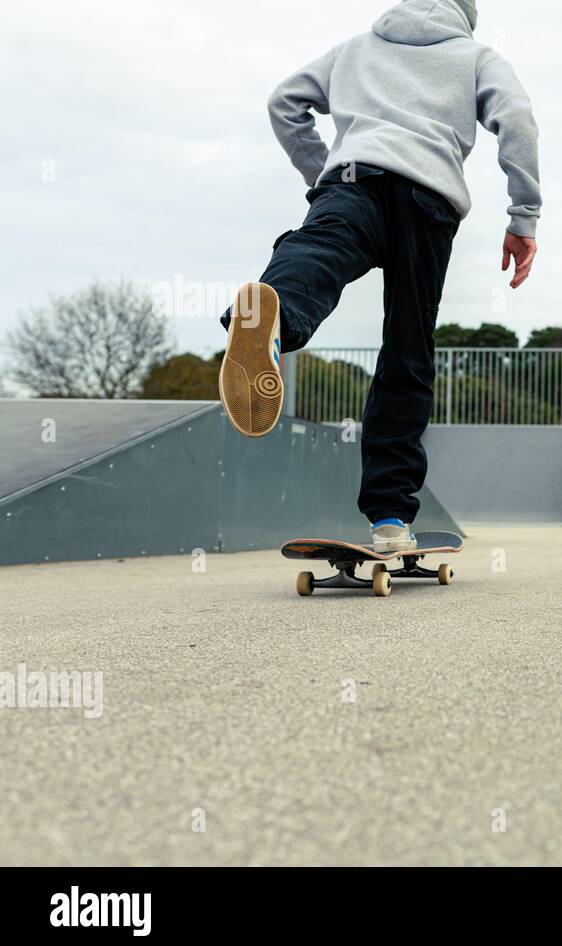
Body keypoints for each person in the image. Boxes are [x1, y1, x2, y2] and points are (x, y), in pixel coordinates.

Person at [217, 0, 539, 551]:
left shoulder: (355, 49)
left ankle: (275, 313)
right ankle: (390, 519)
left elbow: (285, 102)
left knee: (318, 249)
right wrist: (522, 215)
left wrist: (318, 171)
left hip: (351, 179)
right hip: (427, 198)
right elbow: (517, 117)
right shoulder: (476, 55)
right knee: (406, 350)